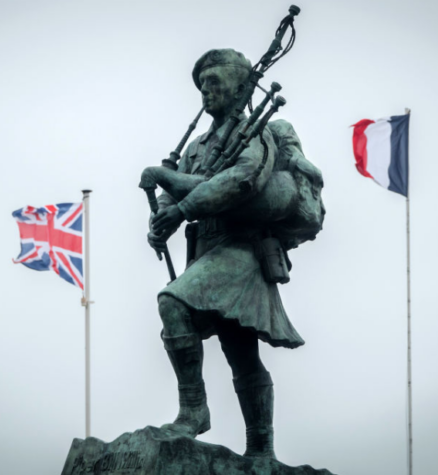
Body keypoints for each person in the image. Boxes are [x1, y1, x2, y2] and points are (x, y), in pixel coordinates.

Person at [147, 49, 304, 459]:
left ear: (240, 88)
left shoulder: (256, 134)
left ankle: (194, 411)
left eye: (214, 82)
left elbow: (241, 181)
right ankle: (261, 450)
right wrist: (163, 219)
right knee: (239, 348)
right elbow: (174, 190)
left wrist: (180, 204)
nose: (206, 91)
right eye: (202, 85)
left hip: (242, 248)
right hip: (206, 248)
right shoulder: (197, 147)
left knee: (173, 302)